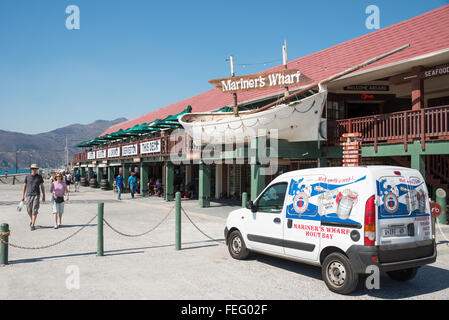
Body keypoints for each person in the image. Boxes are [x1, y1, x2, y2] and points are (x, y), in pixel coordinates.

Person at [21, 164, 45, 231]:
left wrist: (44, 195)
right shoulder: (27, 177)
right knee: (29, 210)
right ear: (31, 169)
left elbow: (42, 186)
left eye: (35, 168)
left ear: (37, 169)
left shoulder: (39, 177)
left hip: (36, 195)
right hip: (28, 195)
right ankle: (32, 220)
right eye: (33, 168)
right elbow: (24, 186)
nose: (34, 170)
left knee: (35, 210)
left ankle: (33, 225)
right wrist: (22, 196)